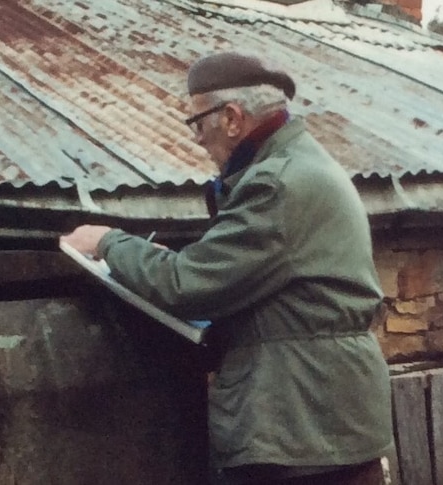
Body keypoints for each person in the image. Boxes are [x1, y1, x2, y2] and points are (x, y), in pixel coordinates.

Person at [60, 52, 394, 485]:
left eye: (197, 123)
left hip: (299, 425)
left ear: (233, 118)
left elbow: (187, 283)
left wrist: (107, 242)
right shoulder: (303, 164)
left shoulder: (275, 183)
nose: (197, 139)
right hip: (321, 421)